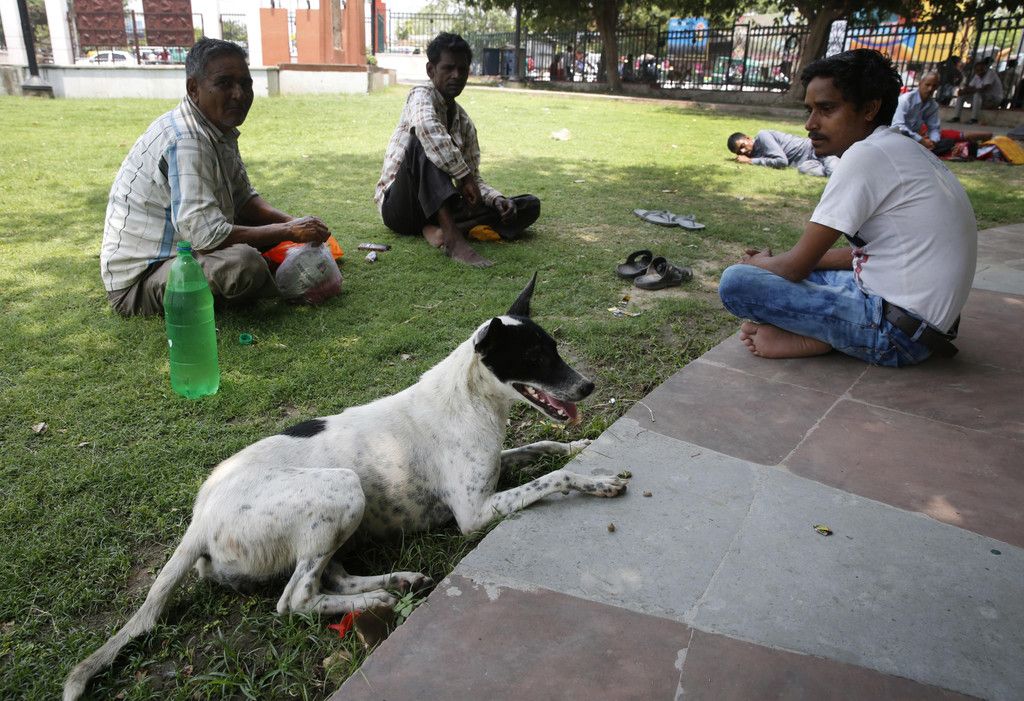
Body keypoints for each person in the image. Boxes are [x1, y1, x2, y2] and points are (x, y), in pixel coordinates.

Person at [718, 49, 977, 367]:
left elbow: (796, 267)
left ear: (869, 108)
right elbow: (865, 254)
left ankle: (822, 337)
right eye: (810, 110)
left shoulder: (866, 155)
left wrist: (760, 265)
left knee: (737, 282)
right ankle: (824, 332)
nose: (810, 124)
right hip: (923, 322)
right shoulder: (901, 147)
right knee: (802, 272)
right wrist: (776, 263)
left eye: (826, 109)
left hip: (898, 335)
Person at [101, 38, 331, 317]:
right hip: (141, 282)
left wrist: (293, 224)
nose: (239, 94)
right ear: (193, 89)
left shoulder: (217, 127)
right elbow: (207, 234)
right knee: (244, 263)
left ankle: (266, 270)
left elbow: (244, 200)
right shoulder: (188, 140)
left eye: (245, 84)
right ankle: (272, 282)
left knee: (260, 234)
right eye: (224, 83)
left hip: (185, 252)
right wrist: (289, 232)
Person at [375, 32, 540, 268]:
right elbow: (426, 128)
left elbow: (473, 177)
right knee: (422, 141)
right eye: (448, 68)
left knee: (527, 205)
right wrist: (464, 177)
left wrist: (496, 199)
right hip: (401, 208)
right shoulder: (420, 95)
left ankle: (439, 230)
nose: (457, 75)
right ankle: (453, 240)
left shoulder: (464, 122)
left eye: (462, 69)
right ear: (431, 70)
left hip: (436, 208)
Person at [727, 129, 839, 177]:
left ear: (748, 138)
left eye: (742, 146)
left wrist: (750, 161)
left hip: (816, 150)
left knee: (834, 174)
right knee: (803, 169)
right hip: (808, 163)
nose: (743, 151)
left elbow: (781, 161)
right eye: (739, 152)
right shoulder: (756, 154)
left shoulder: (762, 136)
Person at [951, 57, 1003, 124]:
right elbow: (970, 87)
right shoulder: (977, 75)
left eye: (981, 70)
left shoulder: (990, 73)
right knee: (961, 96)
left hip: (993, 99)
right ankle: (956, 117)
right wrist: (963, 91)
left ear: (985, 68)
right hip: (983, 99)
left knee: (977, 94)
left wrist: (969, 90)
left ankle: (974, 119)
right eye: (977, 70)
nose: (980, 72)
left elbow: (985, 88)